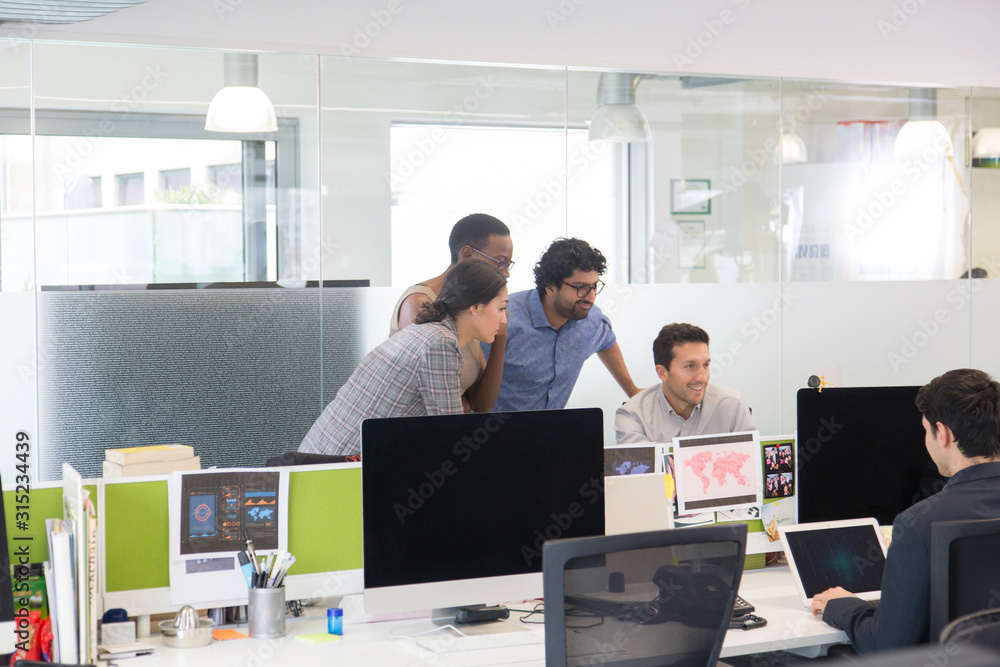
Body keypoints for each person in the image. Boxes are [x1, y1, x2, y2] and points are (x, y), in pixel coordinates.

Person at [810, 368, 1000, 654]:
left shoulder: (918, 523)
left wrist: (845, 606)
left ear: (944, 434)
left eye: (926, 430)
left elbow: (887, 647)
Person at [300, 261, 508, 456]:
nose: (504, 319)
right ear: (476, 307)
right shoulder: (441, 343)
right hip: (339, 466)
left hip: (328, 454)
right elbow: (451, 436)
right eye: (501, 308)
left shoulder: (429, 330)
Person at [488, 237, 639, 411]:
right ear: (550, 287)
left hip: (553, 430)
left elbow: (607, 342)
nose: (590, 296)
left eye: (594, 286)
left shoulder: (591, 318)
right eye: (580, 287)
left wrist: (632, 391)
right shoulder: (505, 317)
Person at [390, 213, 513, 413]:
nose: (505, 272)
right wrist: (460, 405)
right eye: (500, 262)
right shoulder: (419, 302)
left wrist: (501, 337)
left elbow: (480, 404)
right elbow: (432, 401)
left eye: (508, 264)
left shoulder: (469, 307)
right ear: (467, 254)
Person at [614, 323, 753, 443]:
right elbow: (644, 472)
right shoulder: (633, 416)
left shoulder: (732, 405)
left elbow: (750, 467)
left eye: (705, 365)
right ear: (662, 372)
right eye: (690, 366)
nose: (702, 378)